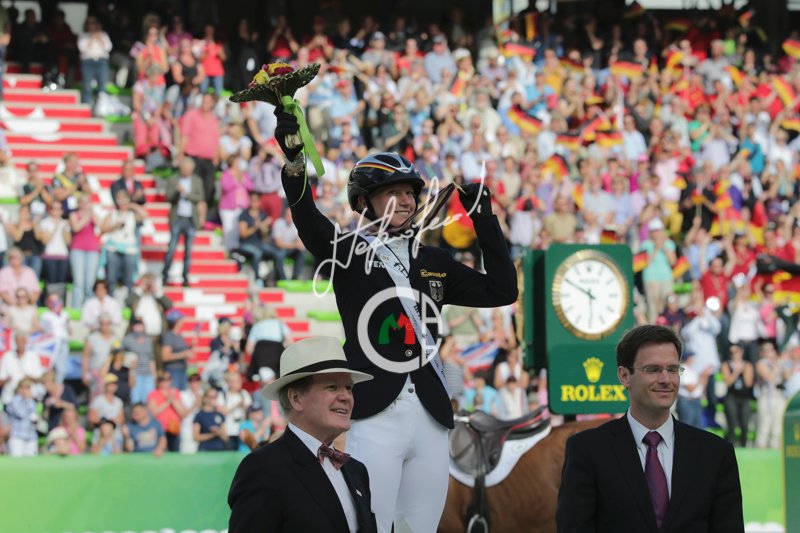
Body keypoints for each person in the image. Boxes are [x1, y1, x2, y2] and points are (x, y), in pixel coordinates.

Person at [272, 108, 518, 532]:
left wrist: (483, 218)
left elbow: (503, 290)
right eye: (393, 193)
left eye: (410, 193)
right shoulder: (347, 252)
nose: (405, 201)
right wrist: (295, 159)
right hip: (375, 412)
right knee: (371, 525)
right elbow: (308, 219)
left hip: (433, 416)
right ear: (364, 202)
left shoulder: (434, 259)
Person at [556, 324, 744, 532]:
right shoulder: (587, 450)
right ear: (624, 376)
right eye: (653, 370)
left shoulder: (715, 453)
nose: (665, 379)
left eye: (672, 369)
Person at [228, 336, 377, 532]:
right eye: (332, 387)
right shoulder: (263, 468)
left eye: (348, 388)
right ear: (296, 398)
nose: (345, 396)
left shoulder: (356, 470)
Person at [162, 158, 204, 287]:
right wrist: (177, 192)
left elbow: (199, 197)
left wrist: (186, 193)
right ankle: (165, 274)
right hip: (177, 218)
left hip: (190, 219)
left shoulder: (197, 181)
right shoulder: (174, 180)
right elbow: (168, 197)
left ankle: (185, 277)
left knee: (188, 250)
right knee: (172, 248)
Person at [193, 387, 228, 451]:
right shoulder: (199, 415)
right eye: (212, 397)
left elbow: (225, 438)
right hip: (205, 450)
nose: (214, 399)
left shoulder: (219, 414)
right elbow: (196, 437)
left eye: (215, 396)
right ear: (205, 399)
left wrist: (219, 432)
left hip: (219, 450)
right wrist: (212, 435)